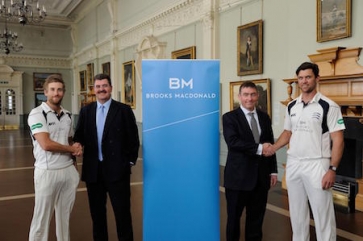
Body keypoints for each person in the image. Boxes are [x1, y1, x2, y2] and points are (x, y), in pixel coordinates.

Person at [267, 62, 345, 240]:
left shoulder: (329, 106)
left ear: (317, 78)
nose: (304, 81)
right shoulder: (292, 106)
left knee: (322, 215)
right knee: (297, 214)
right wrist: (273, 148)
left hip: (317, 164)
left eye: (308, 77)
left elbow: (338, 140)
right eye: (300, 78)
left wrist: (332, 170)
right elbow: (287, 133)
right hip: (294, 163)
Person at [73, 73, 140, 241]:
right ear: (94, 90)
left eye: (104, 86)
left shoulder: (123, 110)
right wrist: (77, 144)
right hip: (93, 172)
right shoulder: (86, 111)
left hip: (118, 172)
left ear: (110, 88)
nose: (101, 89)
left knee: (122, 214)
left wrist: (129, 162)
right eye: (98, 86)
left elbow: (133, 139)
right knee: (97, 216)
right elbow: (79, 135)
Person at [28, 74, 82, 241]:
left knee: (64, 217)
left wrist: (74, 163)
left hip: (67, 172)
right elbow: (46, 144)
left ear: (63, 92)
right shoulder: (37, 114)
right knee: (41, 218)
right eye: (52, 90)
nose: (56, 93)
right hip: (47, 172)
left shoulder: (67, 115)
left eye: (59, 90)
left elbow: (69, 139)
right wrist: (71, 149)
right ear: (45, 92)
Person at [222, 81, 278, 241]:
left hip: (260, 179)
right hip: (237, 180)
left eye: (253, 94)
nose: (249, 98)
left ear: (257, 96)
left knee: (256, 221)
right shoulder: (229, 118)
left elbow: (270, 144)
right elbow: (233, 142)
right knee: (233, 219)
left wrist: (273, 170)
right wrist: (260, 149)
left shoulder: (264, 117)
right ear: (239, 97)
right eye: (246, 95)